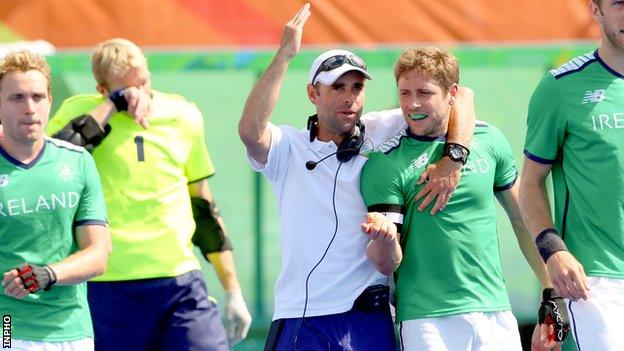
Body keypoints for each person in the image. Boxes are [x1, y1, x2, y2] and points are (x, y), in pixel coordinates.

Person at [238, 4, 475, 350]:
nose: (349, 98)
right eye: (337, 88)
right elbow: (249, 130)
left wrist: (453, 159)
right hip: (302, 314)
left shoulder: (383, 129)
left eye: (357, 87)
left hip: (368, 317)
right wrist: (285, 54)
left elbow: (462, 97)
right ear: (313, 94)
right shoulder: (287, 146)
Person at [46, 38, 251, 350]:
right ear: (102, 90)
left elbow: (204, 208)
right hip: (107, 290)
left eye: (143, 82)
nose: (140, 95)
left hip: (179, 283)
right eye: (126, 90)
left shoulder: (183, 115)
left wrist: (232, 290)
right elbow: (54, 164)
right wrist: (113, 107)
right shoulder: (80, 113)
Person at [360, 47, 552, 350]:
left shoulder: (489, 140)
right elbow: (387, 262)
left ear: (451, 93)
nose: (412, 104)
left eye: (424, 92)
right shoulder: (384, 164)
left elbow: (523, 218)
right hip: (426, 319)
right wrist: (382, 240)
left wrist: (549, 289)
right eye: (404, 93)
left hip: (495, 312)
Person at [520, 0, 624, 349]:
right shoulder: (561, 87)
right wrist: (554, 252)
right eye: (619, 3)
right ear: (595, 11)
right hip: (596, 281)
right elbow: (531, 182)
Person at [0, 50, 111, 350]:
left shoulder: (78, 162)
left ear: (50, 101)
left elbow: (99, 254)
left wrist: (48, 274)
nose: (29, 108)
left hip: (73, 331)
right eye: (17, 97)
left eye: (38, 96)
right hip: (7, 329)